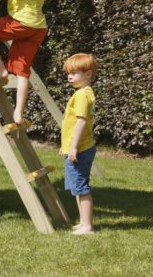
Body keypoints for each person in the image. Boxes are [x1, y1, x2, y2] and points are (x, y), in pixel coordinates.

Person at [60, 53, 98, 235]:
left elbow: (81, 121)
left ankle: (88, 226)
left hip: (80, 149)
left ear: (88, 74)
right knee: (76, 187)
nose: (70, 76)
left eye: (74, 73)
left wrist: (73, 147)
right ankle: (83, 223)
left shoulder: (83, 95)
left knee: (81, 188)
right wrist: (66, 146)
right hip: (76, 147)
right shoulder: (82, 93)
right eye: (69, 73)